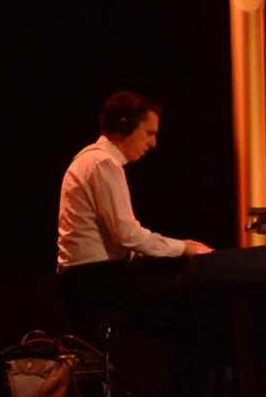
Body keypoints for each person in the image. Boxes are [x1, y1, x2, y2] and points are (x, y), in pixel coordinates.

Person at [55, 89, 210, 290]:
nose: (153, 143)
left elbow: (122, 239)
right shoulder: (103, 162)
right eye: (149, 133)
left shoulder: (93, 159)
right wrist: (183, 248)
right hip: (92, 279)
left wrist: (178, 247)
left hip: (86, 276)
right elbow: (127, 235)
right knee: (186, 292)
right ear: (125, 125)